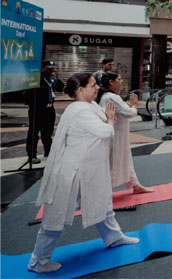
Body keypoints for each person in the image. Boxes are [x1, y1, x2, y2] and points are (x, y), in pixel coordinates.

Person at [28, 73, 139, 273]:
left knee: (102, 203)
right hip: (73, 172)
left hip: (89, 169)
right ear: (80, 89)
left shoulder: (88, 106)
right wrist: (111, 120)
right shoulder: (80, 110)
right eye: (93, 85)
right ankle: (38, 261)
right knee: (56, 216)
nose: (97, 88)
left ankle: (114, 238)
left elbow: (103, 121)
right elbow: (106, 131)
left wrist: (109, 118)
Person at [97, 72, 153, 193]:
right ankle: (103, 190)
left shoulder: (109, 96)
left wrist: (129, 105)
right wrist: (133, 106)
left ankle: (135, 184)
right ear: (111, 82)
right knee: (113, 160)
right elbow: (129, 113)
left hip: (118, 132)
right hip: (115, 134)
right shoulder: (111, 97)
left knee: (125, 158)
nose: (121, 81)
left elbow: (121, 109)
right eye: (119, 79)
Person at [25, 60, 64, 164]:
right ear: (42, 68)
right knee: (34, 132)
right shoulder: (35, 78)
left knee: (48, 132)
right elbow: (27, 94)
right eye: (48, 68)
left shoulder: (51, 78)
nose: (51, 69)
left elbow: (60, 89)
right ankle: (32, 155)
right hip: (37, 109)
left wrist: (57, 79)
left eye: (52, 67)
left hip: (50, 108)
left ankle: (48, 151)